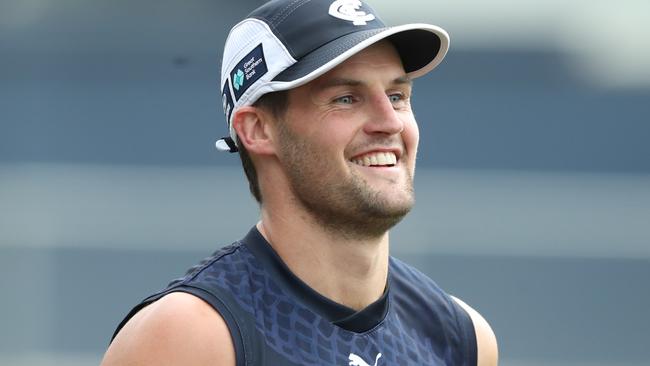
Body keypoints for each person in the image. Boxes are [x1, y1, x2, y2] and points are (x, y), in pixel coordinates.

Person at [101, 0, 498, 365]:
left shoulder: (460, 337)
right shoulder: (193, 336)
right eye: (345, 98)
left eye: (397, 95)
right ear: (257, 129)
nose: (390, 122)